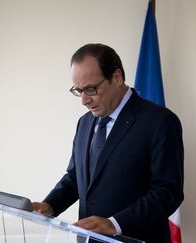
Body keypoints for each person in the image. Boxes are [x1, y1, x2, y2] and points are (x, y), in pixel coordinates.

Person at [32, 43, 184, 243]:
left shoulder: (160, 121)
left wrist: (115, 223)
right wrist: (50, 205)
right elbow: (76, 177)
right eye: (78, 91)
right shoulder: (84, 122)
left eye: (91, 89)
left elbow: (167, 193)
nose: (84, 101)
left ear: (117, 77)